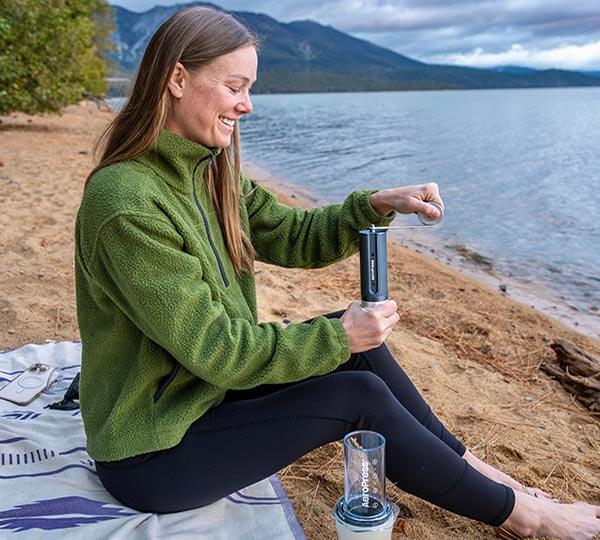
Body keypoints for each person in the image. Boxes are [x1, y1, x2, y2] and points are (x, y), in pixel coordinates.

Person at [74, 6, 600, 538]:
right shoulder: (127, 204)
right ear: (178, 78)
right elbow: (221, 351)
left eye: (250, 87)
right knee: (354, 396)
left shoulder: (207, 170)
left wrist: (376, 205)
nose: (247, 104)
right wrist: (338, 332)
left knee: (359, 350)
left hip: (202, 396)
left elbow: (294, 235)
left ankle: (485, 475)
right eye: (235, 86)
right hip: (153, 452)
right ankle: (527, 517)